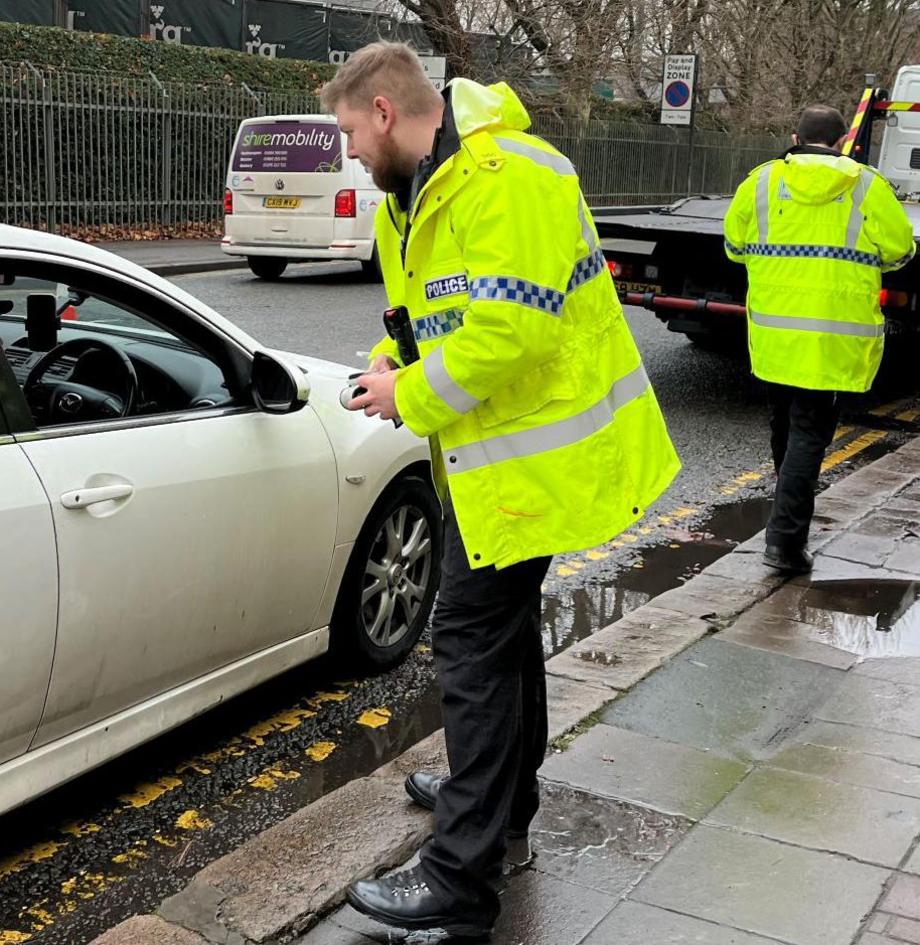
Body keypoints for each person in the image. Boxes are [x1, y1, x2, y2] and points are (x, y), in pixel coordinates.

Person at [321, 42, 680, 940]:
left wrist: (412, 392)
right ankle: (501, 802)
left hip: (535, 461)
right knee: (503, 638)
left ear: (384, 112)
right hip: (484, 460)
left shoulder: (507, 175)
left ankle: (459, 877)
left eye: (348, 136)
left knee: (470, 643)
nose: (351, 157)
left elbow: (512, 332)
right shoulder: (411, 196)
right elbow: (425, 322)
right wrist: (391, 365)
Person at [723, 105, 914, 574]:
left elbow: (733, 245)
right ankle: (785, 542)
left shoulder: (762, 181)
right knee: (809, 432)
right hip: (833, 337)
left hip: (773, 333)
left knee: (785, 424)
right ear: (844, 139)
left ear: (794, 137)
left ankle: (784, 516)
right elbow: (899, 249)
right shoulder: (867, 185)